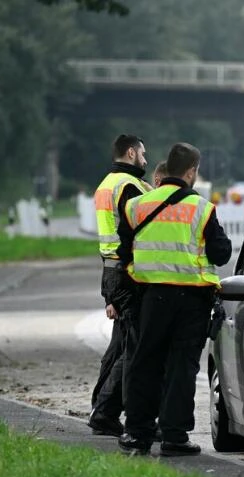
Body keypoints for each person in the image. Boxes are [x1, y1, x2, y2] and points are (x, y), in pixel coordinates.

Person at [117, 142, 232, 456]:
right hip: (193, 301)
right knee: (182, 368)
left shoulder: (137, 206)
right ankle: (174, 437)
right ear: (191, 171)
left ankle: (137, 434)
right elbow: (221, 254)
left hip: (151, 298)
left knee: (145, 363)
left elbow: (123, 251)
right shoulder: (202, 209)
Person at [87, 134, 152, 437]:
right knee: (133, 346)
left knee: (119, 345)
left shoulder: (105, 184)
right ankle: (105, 411)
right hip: (127, 269)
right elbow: (135, 230)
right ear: (130, 152)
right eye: (142, 154)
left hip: (110, 269)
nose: (146, 160)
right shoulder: (128, 186)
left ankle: (100, 408)